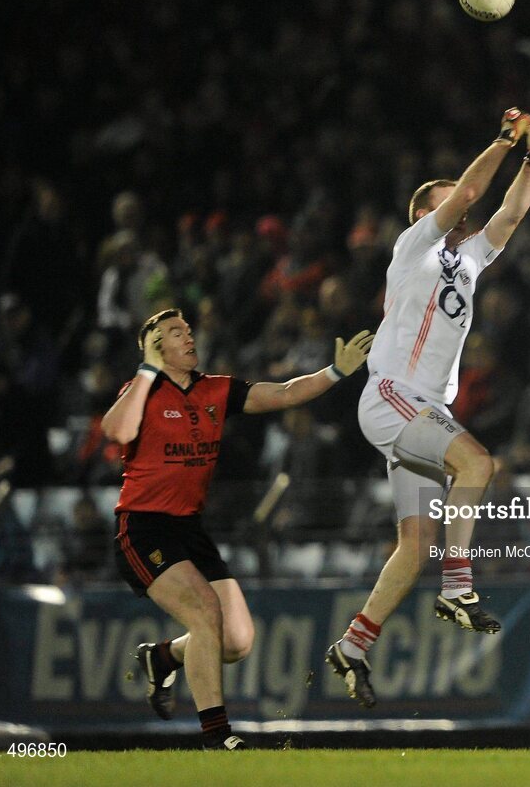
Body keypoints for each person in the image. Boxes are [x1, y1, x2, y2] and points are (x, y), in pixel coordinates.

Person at [326, 109, 530, 707]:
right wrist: (506, 140)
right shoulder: (413, 246)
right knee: (477, 465)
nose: (461, 200)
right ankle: (458, 586)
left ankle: (352, 646)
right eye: (446, 197)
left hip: (419, 409)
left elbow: (509, 212)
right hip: (392, 396)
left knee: (416, 543)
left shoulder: (469, 260)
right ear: (429, 213)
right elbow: (477, 189)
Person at [102, 308, 373, 749]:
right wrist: (147, 370)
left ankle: (163, 656)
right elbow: (115, 430)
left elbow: (284, 393)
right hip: (144, 527)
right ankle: (217, 736)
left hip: (189, 527)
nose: (188, 337)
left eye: (188, 330)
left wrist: (336, 372)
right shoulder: (141, 390)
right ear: (154, 347)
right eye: (175, 333)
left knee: (237, 641)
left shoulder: (215, 389)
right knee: (206, 610)